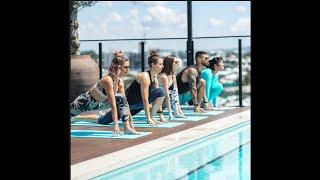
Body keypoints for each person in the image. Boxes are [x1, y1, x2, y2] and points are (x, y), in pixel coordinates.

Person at [70, 50, 139, 136]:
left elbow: (125, 104)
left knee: (122, 98)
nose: (127, 70)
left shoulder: (120, 81)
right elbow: (113, 104)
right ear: (118, 67)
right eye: (125, 67)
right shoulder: (108, 80)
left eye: (128, 67)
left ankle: (127, 128)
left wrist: (131, 123)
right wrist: (116, 125)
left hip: (100, 104)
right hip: (84, 103)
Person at [125, 50, 165, 126]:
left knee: (160, 91)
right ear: (153, 65)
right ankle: (99, 115)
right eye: (160, 64)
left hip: (137, 106)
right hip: (128, 106)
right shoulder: (145, 77)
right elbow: (145, 99)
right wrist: (148, 118)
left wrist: (160, 115)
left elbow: (158, 96)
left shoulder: (154, 77)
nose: (163, 66)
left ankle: (152, 117)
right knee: (102, 119)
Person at [158, 55, 186, 120]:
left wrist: (178, 111)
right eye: (175, 62)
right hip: (153, 103)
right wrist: (170, 113)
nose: (178, 64)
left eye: (178, 62)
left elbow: (175, 94)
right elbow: (167, 95)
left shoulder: (173, 76)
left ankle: (176, 112)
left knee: (174, 93)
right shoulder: (163, 77)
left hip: (162, 102)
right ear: (169, 64)